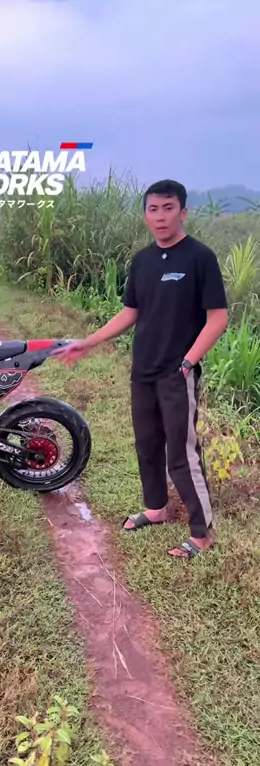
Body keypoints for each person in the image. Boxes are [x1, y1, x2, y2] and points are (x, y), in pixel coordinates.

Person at [58, 179, 229, 558]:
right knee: (147, 444)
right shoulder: (143, 261)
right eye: (153, 209)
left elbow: (218, 318)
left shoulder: (200, 258)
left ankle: (202, 534)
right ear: (145, 215)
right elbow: (130, 312)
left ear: (183, 212)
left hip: (177, 373)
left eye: (168, 208)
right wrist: (90, 341)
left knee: (181, 453)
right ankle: (156, 509)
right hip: (143, 371)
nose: (161, 216)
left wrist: (188, 362)